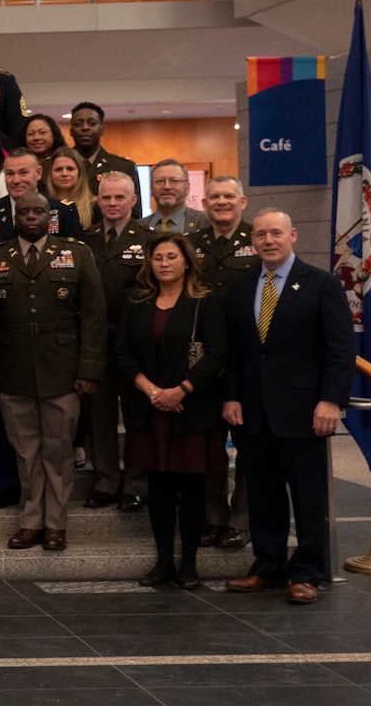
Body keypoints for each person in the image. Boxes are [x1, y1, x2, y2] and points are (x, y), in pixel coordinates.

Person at [221, 209, 354, 605]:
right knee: (263, 496)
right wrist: (230, 396)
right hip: (253, 412)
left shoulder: (322, 284)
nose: (268, 240)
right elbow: (234, 352)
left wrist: (331, 400)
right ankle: (268, 567)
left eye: (276, 233)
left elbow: (340, 350)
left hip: (304, 410)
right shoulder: (242, 288)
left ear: (292, 235)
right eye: (260, 234)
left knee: (308, 498)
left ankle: (307, 572)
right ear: (253, 241)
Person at [0, 192, 105, 552]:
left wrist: (89, 369)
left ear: (50, 217)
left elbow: (94, 318)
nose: (31, 217)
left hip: (63, 370)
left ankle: (56, 524)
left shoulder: (77, 254)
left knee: (58, 450)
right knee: (25, 452)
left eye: (38, 211)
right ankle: (31, 522)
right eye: (24, 212)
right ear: (13, 218)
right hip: (13, 369)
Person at [115, 234, 228, 590]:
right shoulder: (136, 301)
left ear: (187, 261)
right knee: (159, 487)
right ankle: (164, 562)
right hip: (149, 408)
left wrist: (181, 390)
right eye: (157, 257)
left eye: (171, 257)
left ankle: (190, 564)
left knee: (193, 487)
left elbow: (217, 353)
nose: (164, 263)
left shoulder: (204, 301)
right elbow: (121, 351)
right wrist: (152, 391)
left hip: (191, 407)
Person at [190, 175, 259, 550]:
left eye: (228, 196)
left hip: (247, 356)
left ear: (242, 201)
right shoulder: (191, 244)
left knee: (247, 444)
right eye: (214, 197)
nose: (221, 202)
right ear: (204, 204)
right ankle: (213, 518)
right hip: (204, 358)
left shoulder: (257, 239)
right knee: (208, 446)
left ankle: (241, 520)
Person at [84, 171, 155, 512]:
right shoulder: (86, 239)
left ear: (133, 200)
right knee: (100, 416)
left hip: (137, 344)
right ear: (98, 201)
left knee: (137, 415)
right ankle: (106, 480)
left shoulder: (150, 238)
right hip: (97, 342)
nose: (112, 203)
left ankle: (137, 483)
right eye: (106, 197)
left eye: (118, 197)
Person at [67, 101, 139, 194]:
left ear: (101, 130)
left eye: (92, 123)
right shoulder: (55, 166)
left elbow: (134, 207)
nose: (85, 127)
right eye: (78, 124)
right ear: (71, 131)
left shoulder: (123, 167)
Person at [144, 159, 211, 234]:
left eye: (174, 181)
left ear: (187, 188)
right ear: (151, 189)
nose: (167, 186)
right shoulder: (139, 226)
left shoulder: (207, 222)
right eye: (160, 181)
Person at [47, 146, 95, 231]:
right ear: (50, 174)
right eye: (58, 169)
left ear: (80, 173)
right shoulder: (42, 205)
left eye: (70, 169)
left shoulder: (94, 206)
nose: (64, 174)